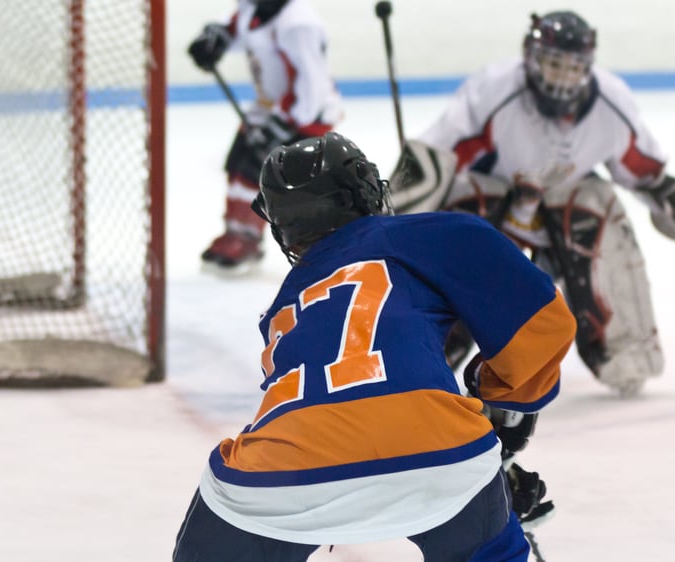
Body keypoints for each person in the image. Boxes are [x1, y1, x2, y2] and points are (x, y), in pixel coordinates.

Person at [173, 132, 577, 561]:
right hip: (445, 460)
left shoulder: (287, 302)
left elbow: (346, 412)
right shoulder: (429, 232)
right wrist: (497, 417)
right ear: (366, 191)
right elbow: (542, 328)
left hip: (281, 475)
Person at [388, 10, 675, 397]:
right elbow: (434, 159)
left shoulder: (611, 102)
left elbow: (644, 171)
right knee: (462, 209)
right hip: (498, 207)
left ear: (587, 68)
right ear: (531, 56)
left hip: (564, 211)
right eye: (553, 64)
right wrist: (393, 219)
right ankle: (429, 352)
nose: (561, 78)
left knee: (596, 202)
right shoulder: (495, 88)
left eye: (572, 68)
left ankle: (623, 348)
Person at [186, 0, 343, 275]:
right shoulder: (253, 7)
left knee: (257, 171)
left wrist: (284, 125)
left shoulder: (298, 23)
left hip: (306, 115)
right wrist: (215, 39)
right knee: (237, 164)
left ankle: (247, 236)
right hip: (269, 108)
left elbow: (312, 84)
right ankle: (235, 230)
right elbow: (236, 28)